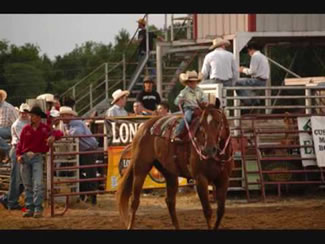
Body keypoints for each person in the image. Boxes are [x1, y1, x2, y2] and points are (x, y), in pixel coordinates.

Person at [16, 106, 63, 218]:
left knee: (37, 183)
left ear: (38, 117)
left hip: (37, 157)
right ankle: (30, 208)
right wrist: (18, 155)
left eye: (33, 115)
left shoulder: (44, 128)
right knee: (28, 184)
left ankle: (37, 208)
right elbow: (19, 144)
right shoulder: (26, 129)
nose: (31, 117)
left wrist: (52, 137)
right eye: (31, 116)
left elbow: (59, 133)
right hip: (25, 157)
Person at [59, 106, 99, 205]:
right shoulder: (67, 124)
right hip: (83, 150)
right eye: (61, 115)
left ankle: (91, 196)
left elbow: (76, 133)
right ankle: (86, 193)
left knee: (89, 172)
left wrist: (66, 134)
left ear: (70, 116)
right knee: (78, 171)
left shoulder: (76, 123)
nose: (61, 117)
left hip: (88, 149)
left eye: (63, 115)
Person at [0, 103, 30, 210]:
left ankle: (7, 198)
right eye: (22, 112)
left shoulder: (27, 123)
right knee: (17, 178)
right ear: (20, 112)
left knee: (21, 179)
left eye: (25, 112)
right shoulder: (17, 124)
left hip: (22, 151)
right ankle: (11, 202)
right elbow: (24, 140)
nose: (23, 114)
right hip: (18, 150)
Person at [173, 70, 208, 141]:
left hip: (199, 109)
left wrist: (204, 102)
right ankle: (177, 133)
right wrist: (180, 100)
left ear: (196, 82)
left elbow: (205, 99)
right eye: (190, 81)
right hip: (189, 109)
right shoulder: (184, 92)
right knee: (187, 118)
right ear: (187, 82)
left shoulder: (200, 91)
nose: (192, 83)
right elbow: (176, 102)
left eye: (194, 81)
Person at [235, 41, 270, 106]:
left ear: (251, 50)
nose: (248, 53)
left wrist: (242, 70)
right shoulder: (263, 56)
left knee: (237, 82)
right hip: (263, 80)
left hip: (257, 80)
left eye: (248, 51)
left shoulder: (255, 56)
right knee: (243, 83)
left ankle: (247, 102)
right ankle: (254, 100)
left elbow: (252, 71)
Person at [0, 89, 19, 163]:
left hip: (10, 129)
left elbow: (16, 122)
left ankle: (7, 149)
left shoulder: (8, 107)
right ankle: (6, 150)